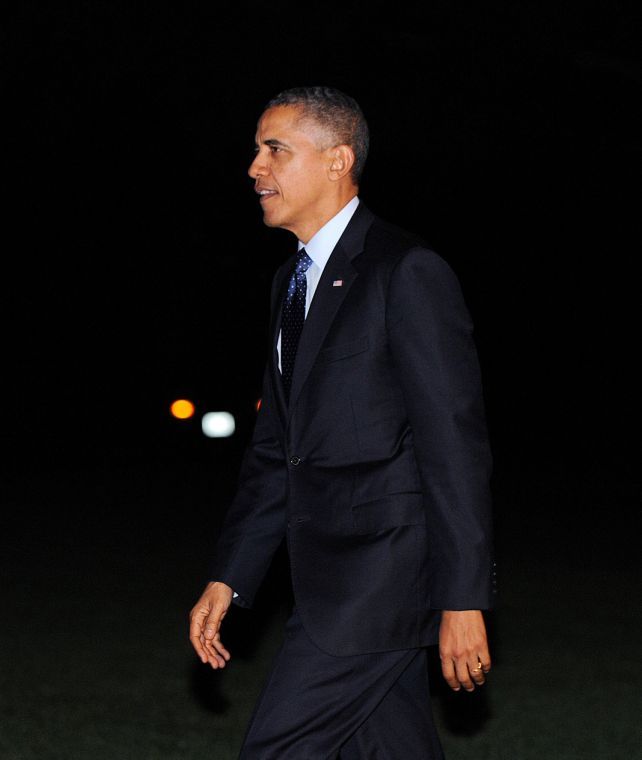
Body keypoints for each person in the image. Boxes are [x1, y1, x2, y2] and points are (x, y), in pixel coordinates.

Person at [189, 86, 495, 759]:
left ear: (338, 161)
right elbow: (278, 451)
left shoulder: (405, 271)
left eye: (275, 149)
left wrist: (463, 597)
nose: (254, 167)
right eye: (255, 150)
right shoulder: (290, 283)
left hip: (381, 579)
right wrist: (231, 575)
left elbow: (453, 443)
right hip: (325, 578)